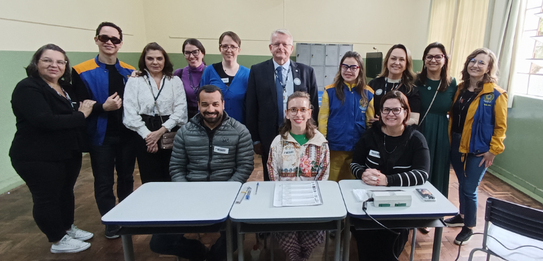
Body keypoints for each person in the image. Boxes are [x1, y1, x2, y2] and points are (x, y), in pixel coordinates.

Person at [149, 85, 254, 261]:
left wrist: (227, 192)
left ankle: (214, 257)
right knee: (158, 242)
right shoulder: (184, 132)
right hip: (190, 194)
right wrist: (187, 192)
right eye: (205, 104)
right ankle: (198, 253)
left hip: (227, 195)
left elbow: (245, 166)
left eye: (215, 104)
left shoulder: (240, 131)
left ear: (223, 104)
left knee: (234, 238)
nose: (210, 109)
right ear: (198, 105)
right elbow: (176, 167)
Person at [10, 44, 95, 253]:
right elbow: (45, 120)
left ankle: (67, 228)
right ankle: (57, 239)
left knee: (65, 192)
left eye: (60, 61)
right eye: (47, 60)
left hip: (65, 152)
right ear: (36, 63)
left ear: (65, 65)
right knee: (46, 197)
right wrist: (80, 116)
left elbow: (82, 105)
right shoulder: (28, 87)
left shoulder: (64, 86)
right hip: (36, 155)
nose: (54, 65)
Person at [72, 21, 136, 239]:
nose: (109, 42)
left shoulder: (130, 72)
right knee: (104, 180)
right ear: (96, 39)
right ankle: (110, 220)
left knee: (127, 177)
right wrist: (103, 107)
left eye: (114, 39)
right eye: (104, 38)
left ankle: (126, 214)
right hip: (100, 136)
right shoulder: (81, 71)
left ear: (120, 43)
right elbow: (80, 103)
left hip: (127, 135)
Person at [349, 90, 430, 261]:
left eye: (396, 110)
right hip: (368, 205)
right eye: (386, 110)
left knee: (387, 253)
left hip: (400, 209)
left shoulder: (416, 139)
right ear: (380, 112)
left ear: (405, 112)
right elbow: (355, 164)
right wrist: (363, 174)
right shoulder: (370, 134)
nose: (390, 114)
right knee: (366, 251)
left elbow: (422, 174)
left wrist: (387, 180)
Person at [445, 48, 507, 245]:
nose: (475, 65)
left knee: (470, 188)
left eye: (481, 62)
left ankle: (469, 226)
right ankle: (461, 216)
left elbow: (500, 126)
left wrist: (493, 151)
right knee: (462, 184)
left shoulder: (496, 94)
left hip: (479, 150)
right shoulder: (460, 89)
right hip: (456, 143)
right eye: (472, 60)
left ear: (489, 68)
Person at [246, 29, 320, 181]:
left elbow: (314, 108)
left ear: (291, 48)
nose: (281, 47)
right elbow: (251, 106)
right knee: (272, 175)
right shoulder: (257, 71)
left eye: (285, 44)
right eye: (277, 44)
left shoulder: (307, 71)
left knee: (301, 171)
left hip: (300, 133)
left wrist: (312, 132)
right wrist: (256, 139)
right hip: (268, 135)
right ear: (270, 47)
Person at [267, 91, 329, 261]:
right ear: (286, 113)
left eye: (303, 109)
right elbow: (273, 175)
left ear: (310, 112)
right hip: (285, 203)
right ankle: (293, 256)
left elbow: (323, 177)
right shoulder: (278, 143)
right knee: (287, 238)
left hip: (311, 203)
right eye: (293, 109)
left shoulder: (320, 143)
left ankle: (305, 255)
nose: (298, 114)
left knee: (314, 238)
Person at [123, 42, 187, 183]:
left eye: (159, 58)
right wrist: (148, 136)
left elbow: (180, 109)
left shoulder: (174, 81)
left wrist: (160, 132)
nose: (155, 62)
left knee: (172, 174)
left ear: (165, 60)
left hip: (169, 129)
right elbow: (130, 111)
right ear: (144, 60)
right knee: (150, 176)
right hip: (143, 131)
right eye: (150, 58)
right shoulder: (135, 81)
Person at [414, 42, 457, 234]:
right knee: (418, 170)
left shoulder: (452, 84)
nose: (433, 60)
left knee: (438, 171)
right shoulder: (416, 81)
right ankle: (416, 212)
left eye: (438, 56)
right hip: (419, 132)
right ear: (424, 60)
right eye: (429, 56)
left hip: (441, 133)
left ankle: (434, 212)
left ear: (444, 59)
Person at [318, 51, 374, 182]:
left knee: (352, 182)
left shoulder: (368, 93)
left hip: (357, 148)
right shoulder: (330, 91)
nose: (348, 70)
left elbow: (370, 122)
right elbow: (323, 119)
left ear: (360, 69)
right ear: (340, 68)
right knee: (331, 181)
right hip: (334, 147)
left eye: (353, 67)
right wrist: (322, 143)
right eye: (345, 66)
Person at [200, 31, 249, 124]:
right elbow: (201, 100)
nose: (229, 50)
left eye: (233, 46)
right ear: (220, 48)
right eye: (225, 46)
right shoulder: (209, 71)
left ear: (239, 50)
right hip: (213, 127)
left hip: (240, 129)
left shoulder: (247, 74)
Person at [368, 44, 420, 125]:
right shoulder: (373, 84)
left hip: (399, 135)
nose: (397, 62)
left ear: (407, 64)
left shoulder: (411, 89)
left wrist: (388, 122)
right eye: (393, 58)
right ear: (387, 60)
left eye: (401, 59)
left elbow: (414, 120)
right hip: (375, 134)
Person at [173, 38, 206, 119]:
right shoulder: (178, 74)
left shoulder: (212, 72)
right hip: (185, 118)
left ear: (202, 53)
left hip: (207, 116)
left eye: (195, 52)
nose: (191, 56)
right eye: (187, 53)